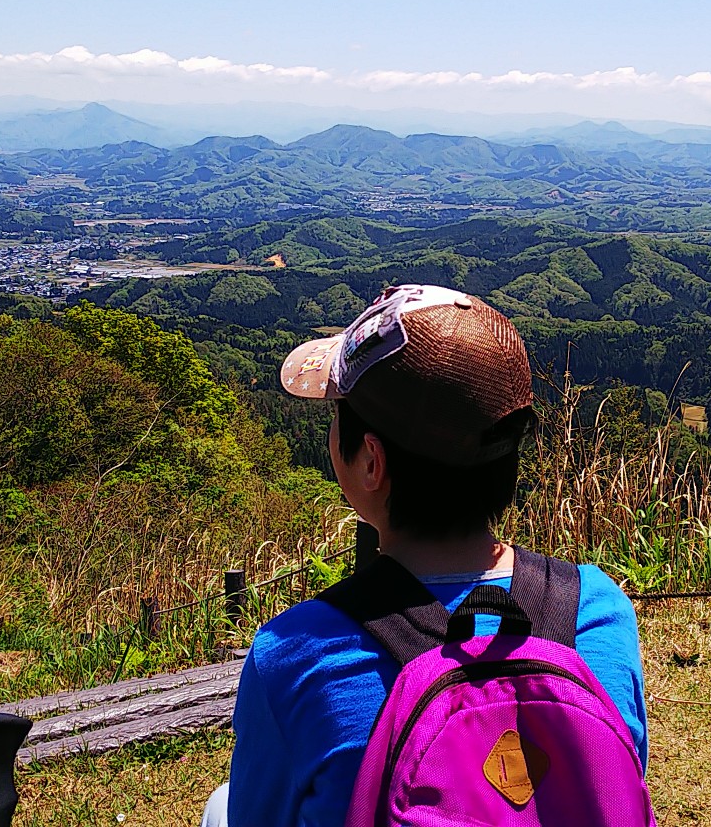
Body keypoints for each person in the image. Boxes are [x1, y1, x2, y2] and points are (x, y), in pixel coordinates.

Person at [201, 284, 648, 827]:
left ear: (371, 462)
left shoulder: (295, 655)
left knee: (220, 806)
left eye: (340, 413)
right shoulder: (598, 611)